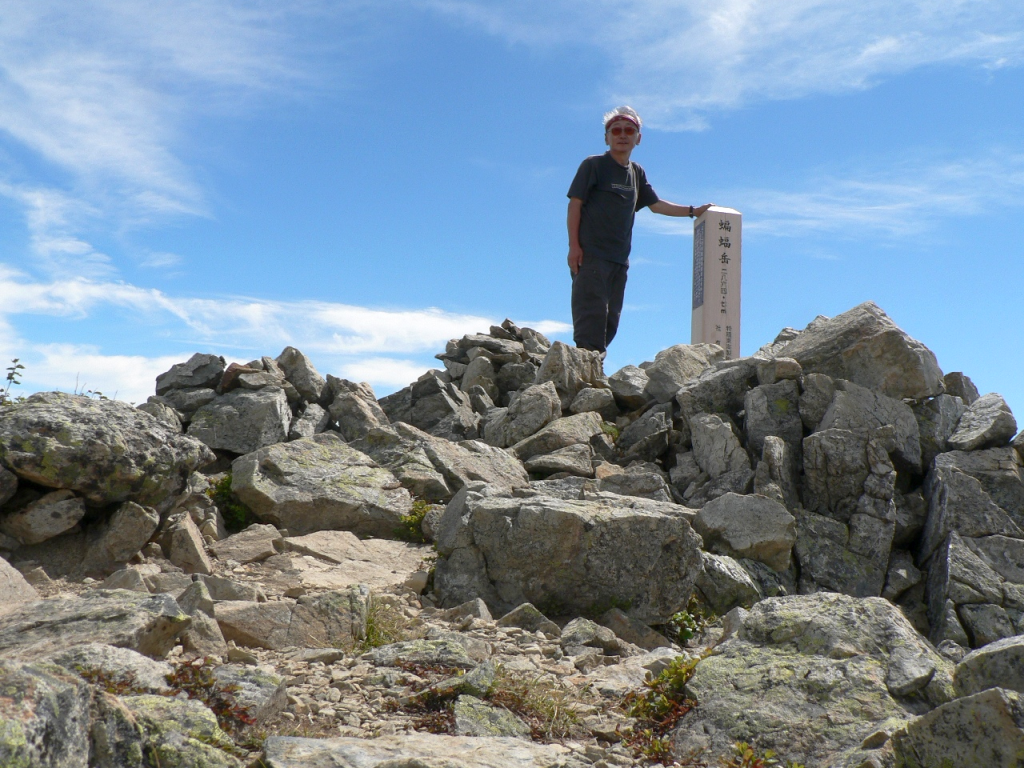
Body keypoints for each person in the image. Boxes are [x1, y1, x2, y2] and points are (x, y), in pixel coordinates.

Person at [567, 106, 713, 354]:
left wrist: (692, 211)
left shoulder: (636, 172)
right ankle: (586, 376)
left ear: (638, 137)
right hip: (591, 256)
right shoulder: (593, 165)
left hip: (619, 260)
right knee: (591, 317)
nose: (622, 135)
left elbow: (656, 205)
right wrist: (574, 247)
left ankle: (593, 368)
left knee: (610, 320)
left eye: (629, 130)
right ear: (607, 137)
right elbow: (575, 205)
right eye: (616, 130)